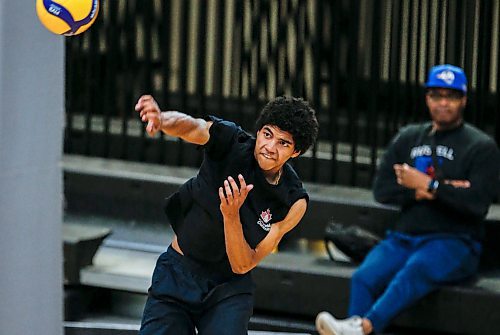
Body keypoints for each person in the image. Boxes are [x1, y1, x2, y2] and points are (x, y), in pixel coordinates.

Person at [316, 64, 500, 335]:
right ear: (427, 98)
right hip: (404, 237)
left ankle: (363, 327)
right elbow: (383, 189)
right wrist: (423, 190)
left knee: (414, 271)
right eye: (437, 95)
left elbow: (476, 203)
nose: (444, 103)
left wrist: (431, 185)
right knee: (364, 277)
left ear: (463, 100)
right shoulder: (409, 137)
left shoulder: (481, 146)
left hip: (455, 240)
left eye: (451, 96)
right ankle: (354, 328)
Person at [135, 95, 318, 335]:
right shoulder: (231, 141)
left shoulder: (293, 201)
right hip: (179, 271)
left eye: (283, 143)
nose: (270, 147)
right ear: (259, 131)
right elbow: (193, 126)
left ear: (296, 152)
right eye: (267, 134)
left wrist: (231, 216)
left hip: (228, 289)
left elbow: (243, 264)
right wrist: (162, 120)